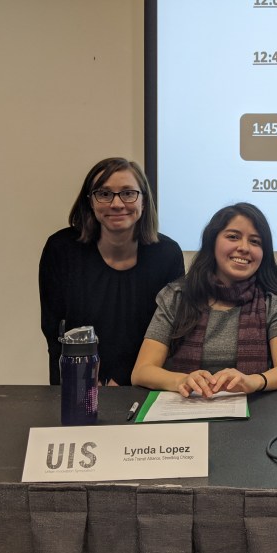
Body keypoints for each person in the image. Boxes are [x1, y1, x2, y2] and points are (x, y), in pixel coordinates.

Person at [39, 157, 184, 386]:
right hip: (78, 383)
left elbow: (169, 333)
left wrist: (126, 380)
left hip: (144, 383)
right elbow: (53, 329)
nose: (117, 204)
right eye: (104, 194)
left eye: (128, 193)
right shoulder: (61, 249)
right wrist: (84, 379)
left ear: (144, 201)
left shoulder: (167, 254)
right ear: (90, 202)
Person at [132, 202, 277, 396]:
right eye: (233, 237)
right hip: (184, 408)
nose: (244, 248)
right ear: (212, 242)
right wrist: (181, 380)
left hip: (253, 412)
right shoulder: (176, 296)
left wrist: (252, 381)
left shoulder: (272, 302)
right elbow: (142, 371)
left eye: (255, 241)